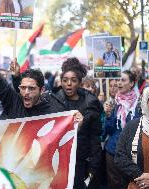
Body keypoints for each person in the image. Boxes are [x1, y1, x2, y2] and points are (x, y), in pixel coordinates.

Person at [0, 29, 65, 118]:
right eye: (23, 87)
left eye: (31, 88)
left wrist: (79, 122)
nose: (26, 92)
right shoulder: (13, 101)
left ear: (42, 90)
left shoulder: (55, 109)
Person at [50, 57, 102, 189]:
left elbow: (95, 137)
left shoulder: (90, 104)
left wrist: (94, 166)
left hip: (80, 161)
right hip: (57, 161)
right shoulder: (52, 101)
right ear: (60, 82)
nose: (69, 84)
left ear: (79, 83)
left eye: (73, 80)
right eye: (65, 80)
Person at [104, 70, 141, 189]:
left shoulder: (140, 104)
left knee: (130, 184)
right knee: (114, 184)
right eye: (118, 80)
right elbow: (109, 131)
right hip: (113, 151)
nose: (119, 83)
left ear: (132, 83)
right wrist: (109, 116)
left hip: (132, 153)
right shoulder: (114, 103)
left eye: (123, 80)